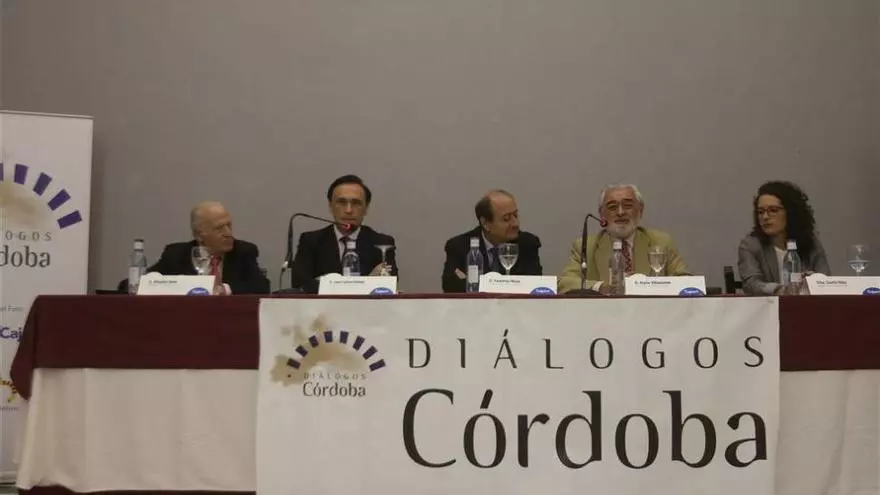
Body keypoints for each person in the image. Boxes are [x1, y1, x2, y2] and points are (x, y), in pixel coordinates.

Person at [558, 183, 689, 294]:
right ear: (602, 215)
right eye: (612, 207)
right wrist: (600, 287)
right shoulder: (586, 245)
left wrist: (647, 284)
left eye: (627, 206)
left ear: (640, 210)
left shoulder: (661, 242)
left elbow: (686, 281)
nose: (620, 212)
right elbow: (564, 283)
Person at [118, 201, 270, 294]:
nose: (228, 233)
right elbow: (130, 285)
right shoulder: (176, 255)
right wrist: (154, 283)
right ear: (199, 234)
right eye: (219, 228)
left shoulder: (243, 251)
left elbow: (262, 286)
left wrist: (224, 289)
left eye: (229, 225)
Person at [289, 174, 397, 293]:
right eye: (341, 202)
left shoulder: (381, 243)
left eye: (356, 203)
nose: (348, 210)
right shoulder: (310, 241)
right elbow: (300, 286)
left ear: (366, 208)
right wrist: (367, 281)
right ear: (330, 206)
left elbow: (389, 286)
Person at [737, 181, 830, 295]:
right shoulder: (750, 245)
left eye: (773, 210)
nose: (765, 217)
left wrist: (813, 281)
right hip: (769, 305)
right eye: (760, 212)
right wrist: (779, 290)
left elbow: (826, 281)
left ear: (791, 213)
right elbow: (751, 284)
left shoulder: (811, 244)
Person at [442, 190, 542, 292]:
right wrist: (506, 285)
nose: (515, 224)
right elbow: (450, 286)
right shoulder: (459, 246)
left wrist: (474, 283)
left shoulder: (528, 243)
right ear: (485, 223)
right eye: (506, 219)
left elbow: (532, 285)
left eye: (515, 215)